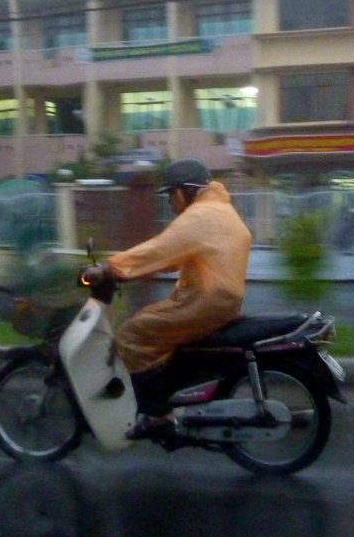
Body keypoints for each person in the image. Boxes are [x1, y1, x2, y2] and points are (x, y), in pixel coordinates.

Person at [82, 158, 251, 439]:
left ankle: (158, 414)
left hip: (203, 302)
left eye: (172, 194)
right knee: (157, 332)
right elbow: (172, 258)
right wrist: (128, 270)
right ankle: (172, 395)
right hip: (220, 302)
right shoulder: (220, 210)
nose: (171, 202)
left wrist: (109, 269)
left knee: (132, 335)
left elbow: (159, 250)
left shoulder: (199, 216)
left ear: (187, 190)